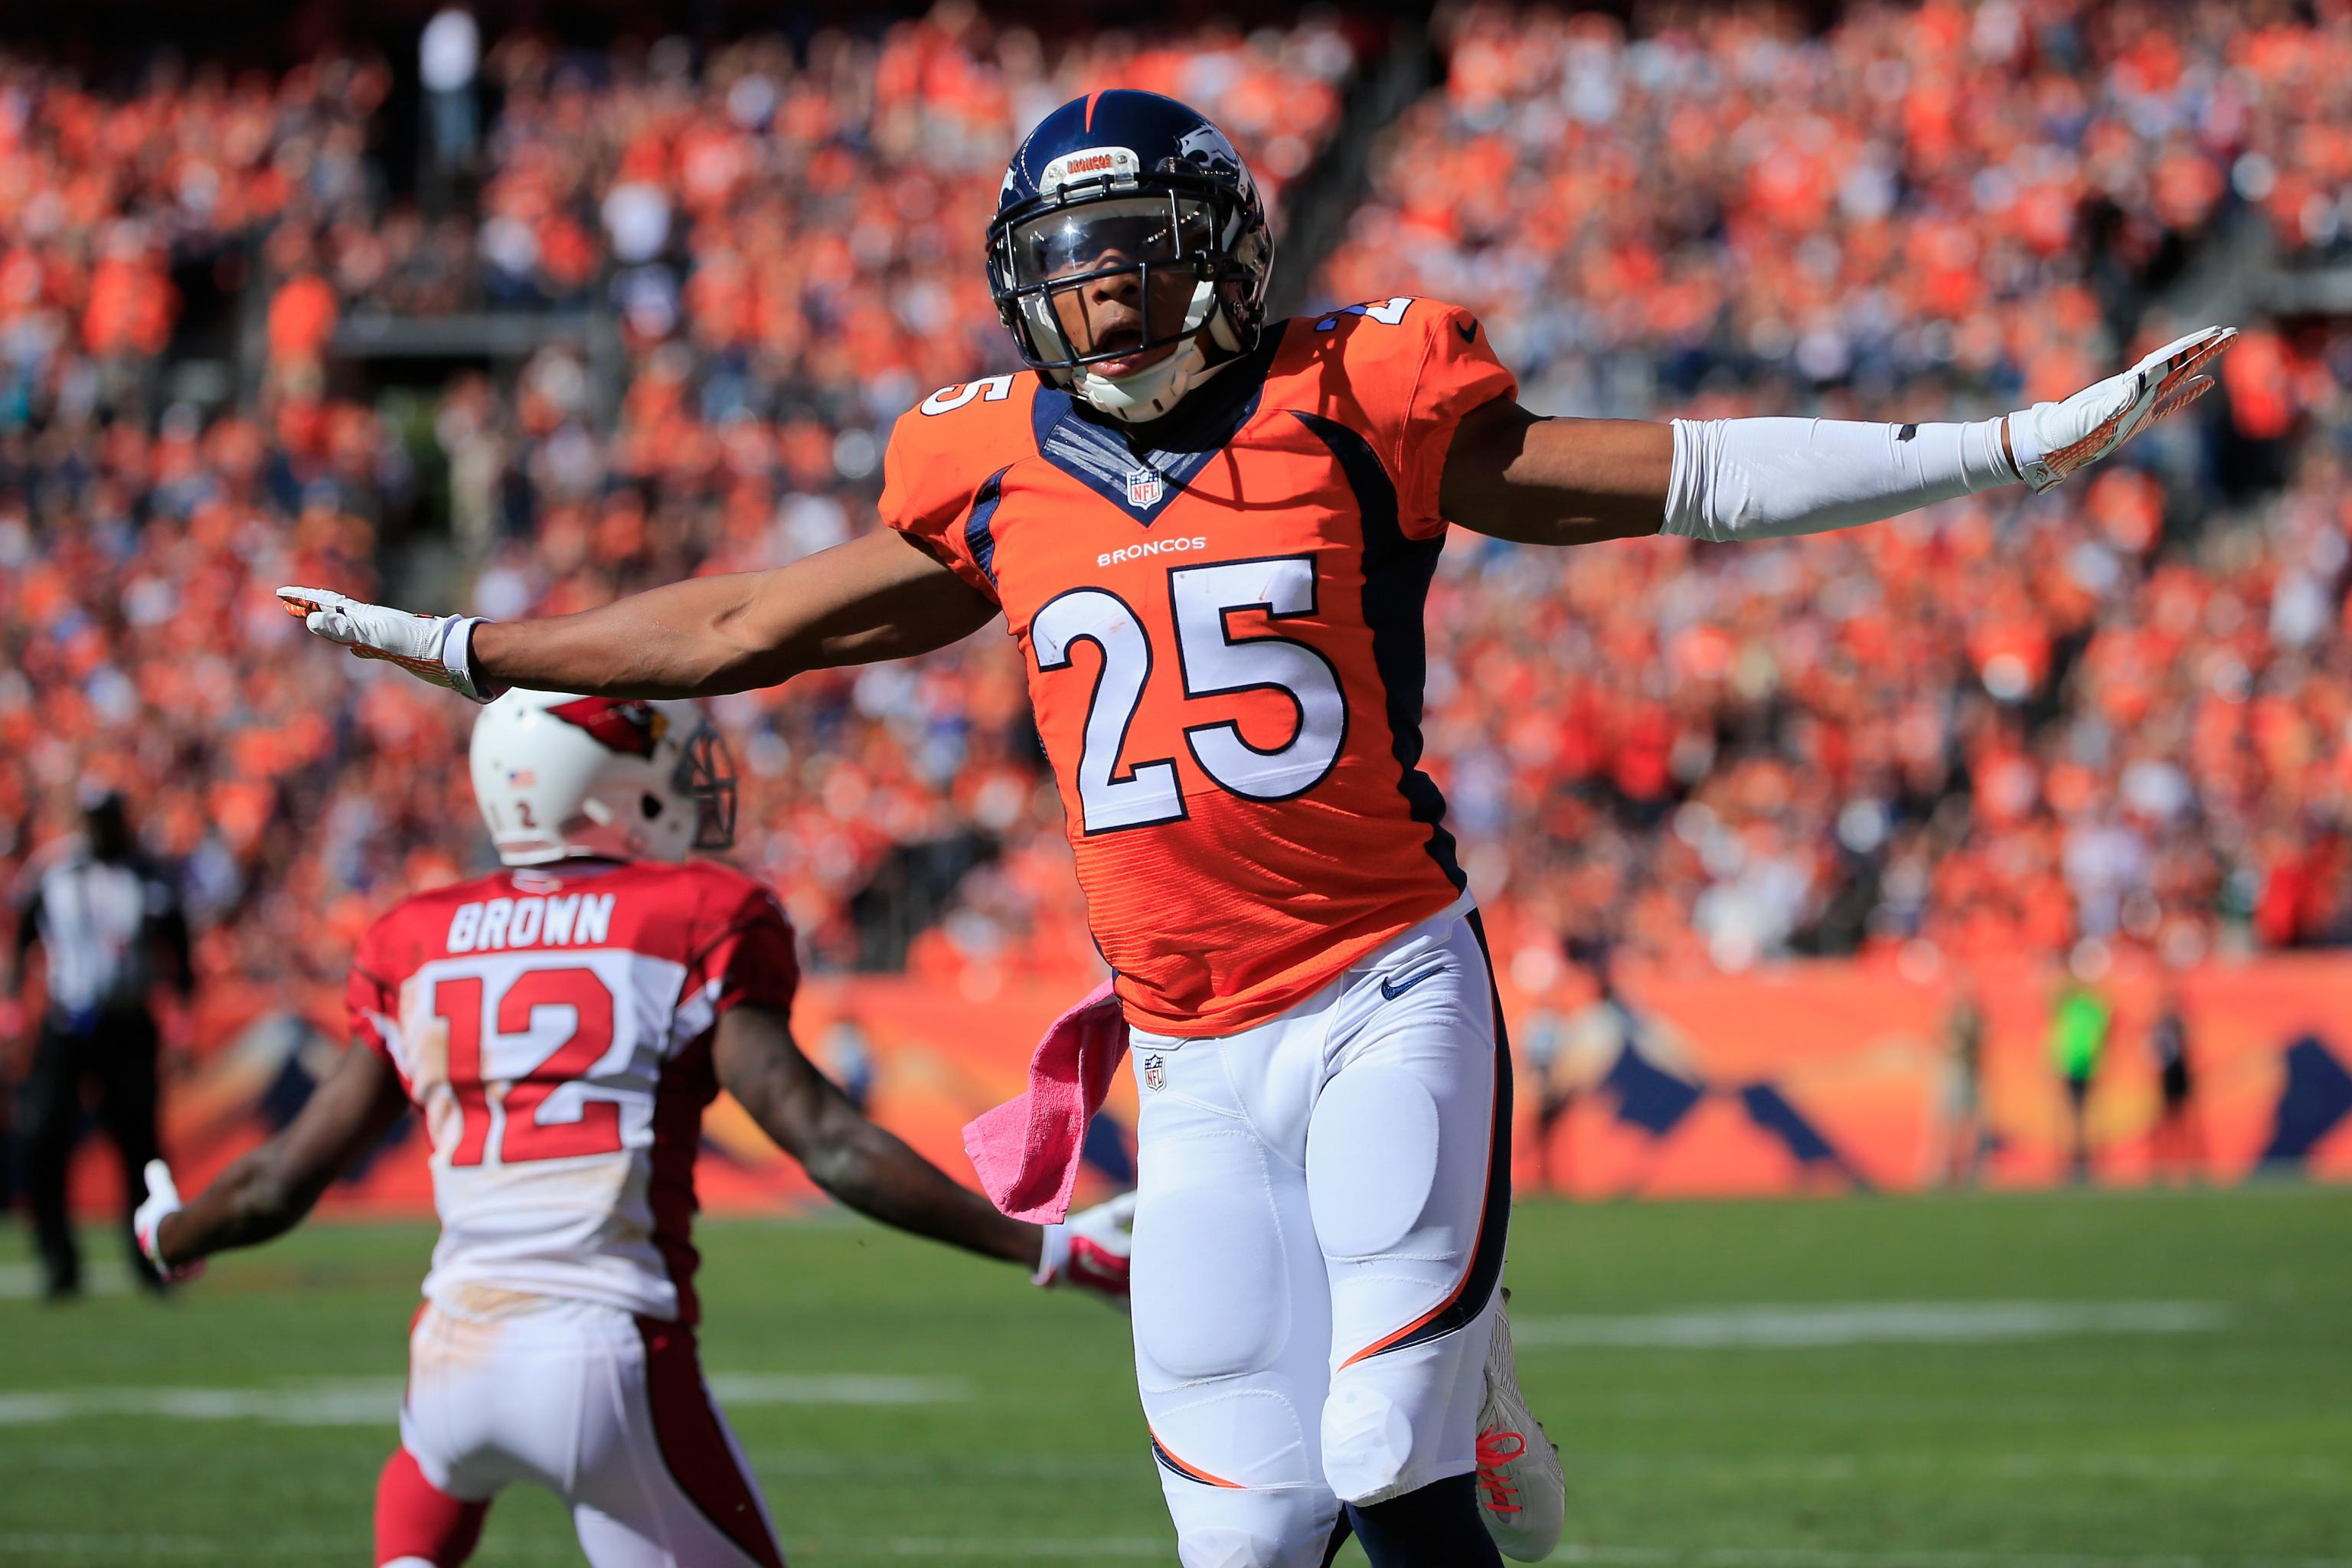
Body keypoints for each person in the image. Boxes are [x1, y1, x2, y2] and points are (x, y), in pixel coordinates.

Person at [276, 89, 2230, 1568]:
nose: (1094, 284)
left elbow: (1680, 477)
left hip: (1382, 978)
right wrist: (469, 642)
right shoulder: (986, 473)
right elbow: (729, 626)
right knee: (1242, 1527)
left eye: (1128, 246)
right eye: (1065, 259)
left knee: (1383, 1450)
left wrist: (1992, 444)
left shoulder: (1355, 395)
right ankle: (1463, 1394)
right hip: (1186, 1047)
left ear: (1217, 245)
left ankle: (1458, 1410)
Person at [132, 690, 1135, 1568]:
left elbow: (276, 1183)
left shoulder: (415, 934)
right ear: (596, 785)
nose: (686, 784)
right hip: (604, 1355)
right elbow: (826, 1142)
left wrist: (167, 1234)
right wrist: (1045, 1246)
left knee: (429, 1478)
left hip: (448, 1362)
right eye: (658, 764)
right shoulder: (694, 912)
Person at [5, 789, 194, 1299]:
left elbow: (181, 956)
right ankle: (58, 1262)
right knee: (44, 1139)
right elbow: (22, 943)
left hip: (128, 1026)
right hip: (66, 1025)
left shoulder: (149, 876)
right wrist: (14, 1013)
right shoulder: (53, 871)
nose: (100, 830)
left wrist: (180, 1025)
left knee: (141, 1151)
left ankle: (151, 1259)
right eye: (93, 820)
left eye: (107, 819)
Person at [2050, 964, 2114, 1182]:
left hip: (2083, 1067)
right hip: (2071, 1066)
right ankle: (2074, 1159)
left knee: (2080, 1116)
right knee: (2073, 1116)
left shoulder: (2089, 1007)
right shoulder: (2074, 1006)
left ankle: (2081, 1160)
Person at [2148, 989, 2203, 1181]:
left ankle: (2190, 1162)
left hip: (2181, 1075)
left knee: (2185, 1121)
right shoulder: (2160, 1027)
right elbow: (2153, 1052)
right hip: (2167, 1077)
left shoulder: (2179, 1025)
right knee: (2166, 1121)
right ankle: (2162, 1162)